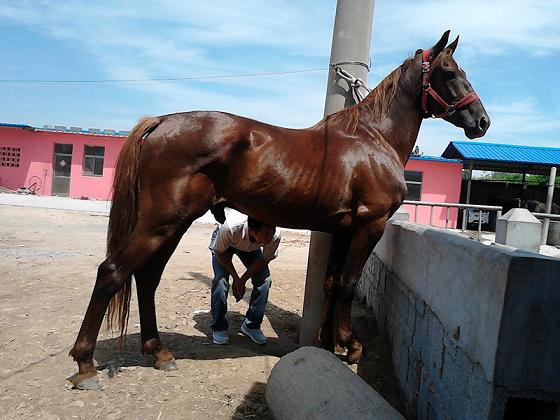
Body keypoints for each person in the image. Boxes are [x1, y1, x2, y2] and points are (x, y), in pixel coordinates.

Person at [208, 212, 281, 345]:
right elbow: (219, 252)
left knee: (265, 281)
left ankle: (251, 325)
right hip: (225, 246)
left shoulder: (274, 235)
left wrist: (243, 279)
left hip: (253, 248)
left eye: (273, 232)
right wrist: (235, 278)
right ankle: (218, 327)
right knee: (220, 281)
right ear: (253, 231)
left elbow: (264, 259)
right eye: (266, 235)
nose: (271, 238)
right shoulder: (230, 227)